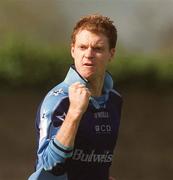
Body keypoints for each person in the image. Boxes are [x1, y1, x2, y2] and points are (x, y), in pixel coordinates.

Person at [28, 14, 122, 180]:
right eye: (82, 47)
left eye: (98, 49)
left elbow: (95, 159)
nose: (89, 54)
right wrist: (74, 113)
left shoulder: (114, 100)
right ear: (73, 50)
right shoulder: (58, 100)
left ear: (111, 54)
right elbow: (51, 165)